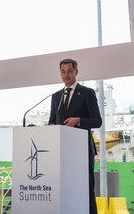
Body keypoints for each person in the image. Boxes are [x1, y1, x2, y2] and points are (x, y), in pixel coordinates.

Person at [48, 58, 102, 214]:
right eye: (63, 72)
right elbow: (52, 120)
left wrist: (78, 121)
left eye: (70, 71)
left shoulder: (87, 93)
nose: (66, 75)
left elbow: (97, 121)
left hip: (82, 150)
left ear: (76, 72)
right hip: (63, 152)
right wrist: (51, 127)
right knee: (66, 189)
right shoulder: (56, 96)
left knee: (85, 188)